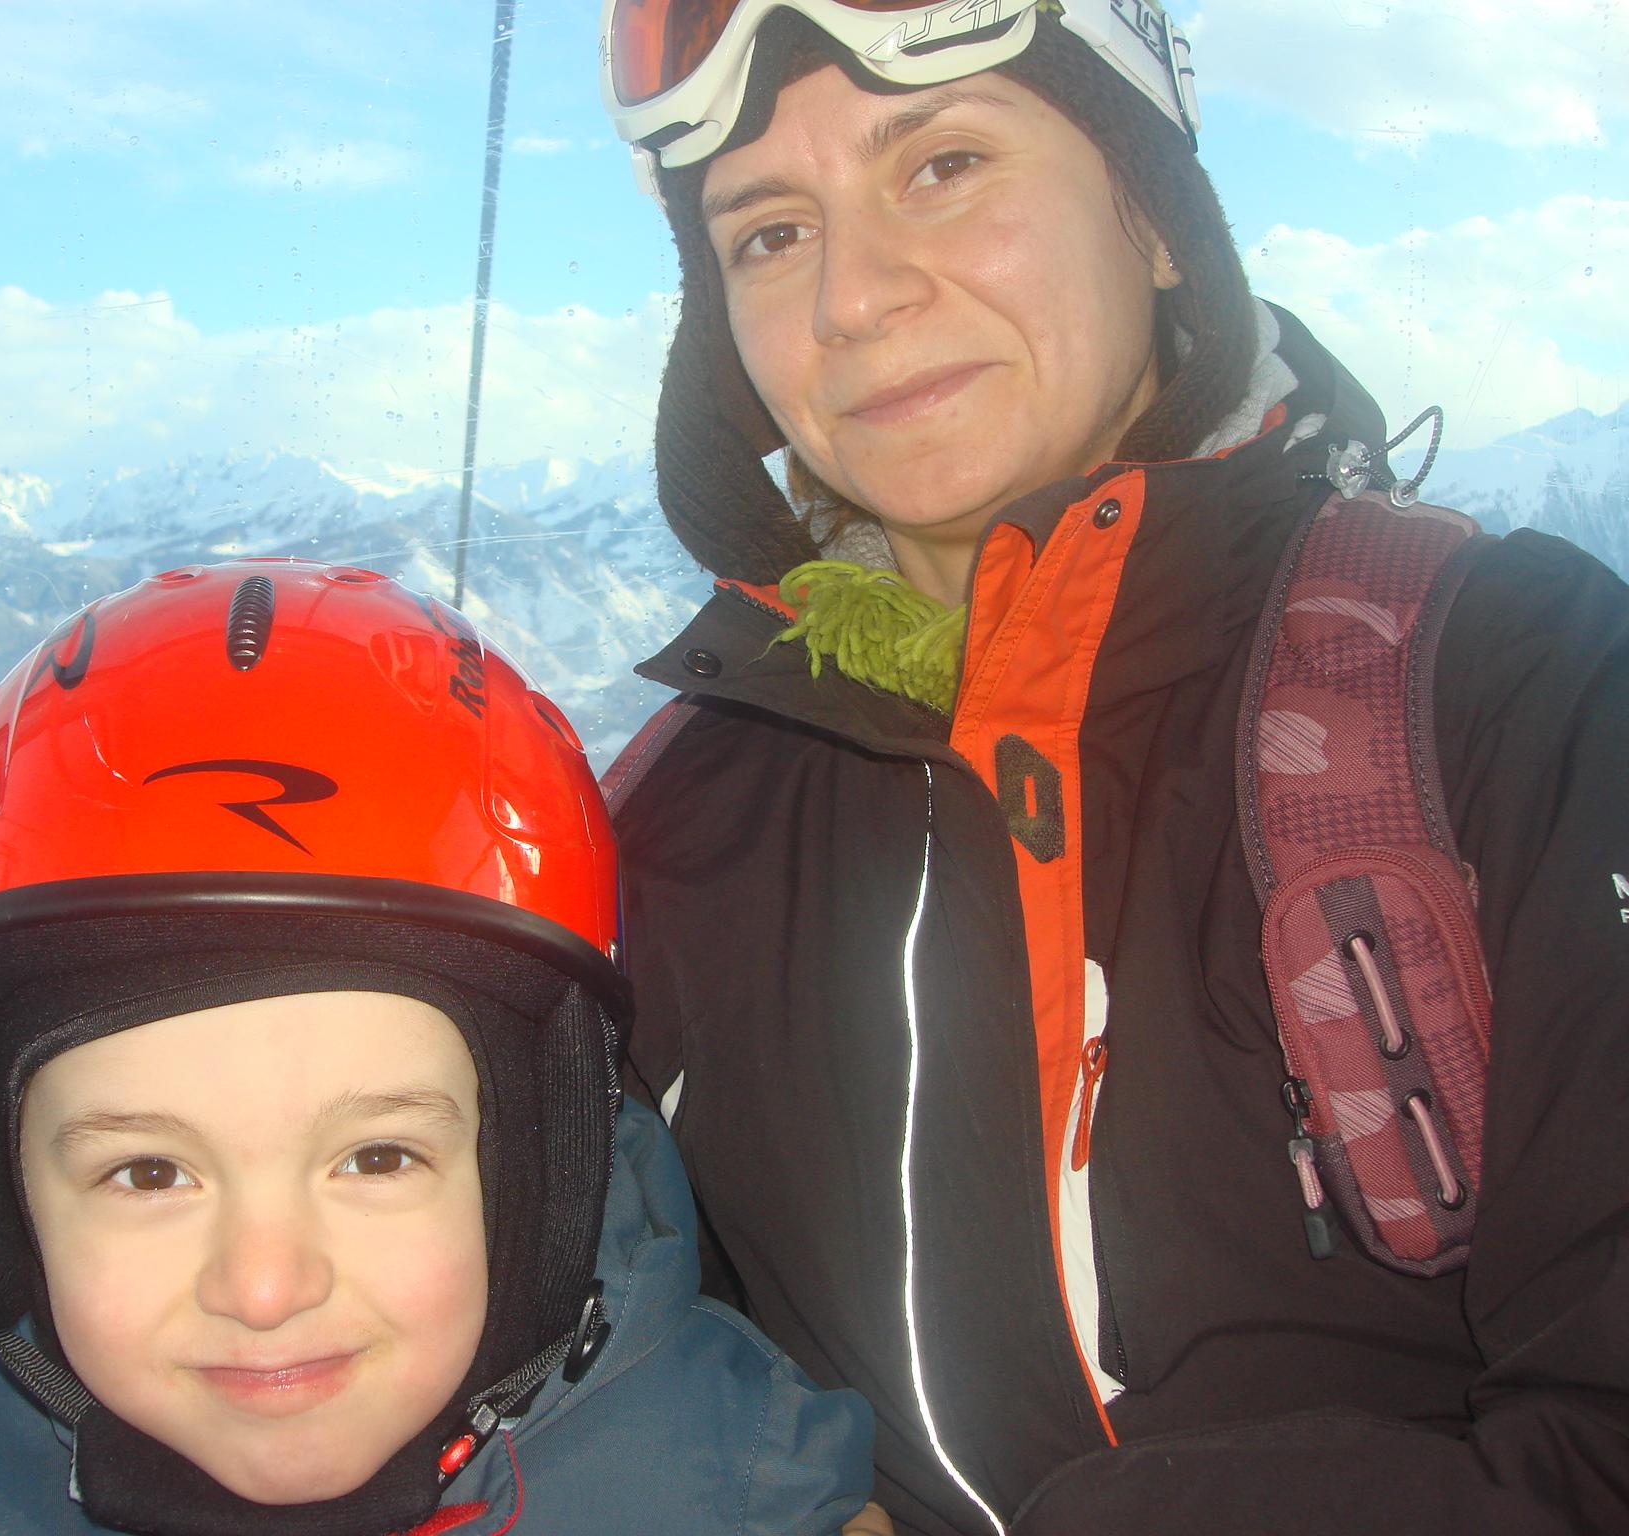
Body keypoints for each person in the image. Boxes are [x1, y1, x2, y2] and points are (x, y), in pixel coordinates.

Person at [597, 4, 1629, 1534]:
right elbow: (588, 1358)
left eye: (943, 164)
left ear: (1153, 219)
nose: (854, 297)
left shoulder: (1509, 683)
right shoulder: (683, 815)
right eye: (768, 233)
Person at [0, 558, 874, 1536]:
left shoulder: (741, 1490)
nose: (266, 1290)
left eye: (378, 1158)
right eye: (148, 1173)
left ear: (543, 1179)